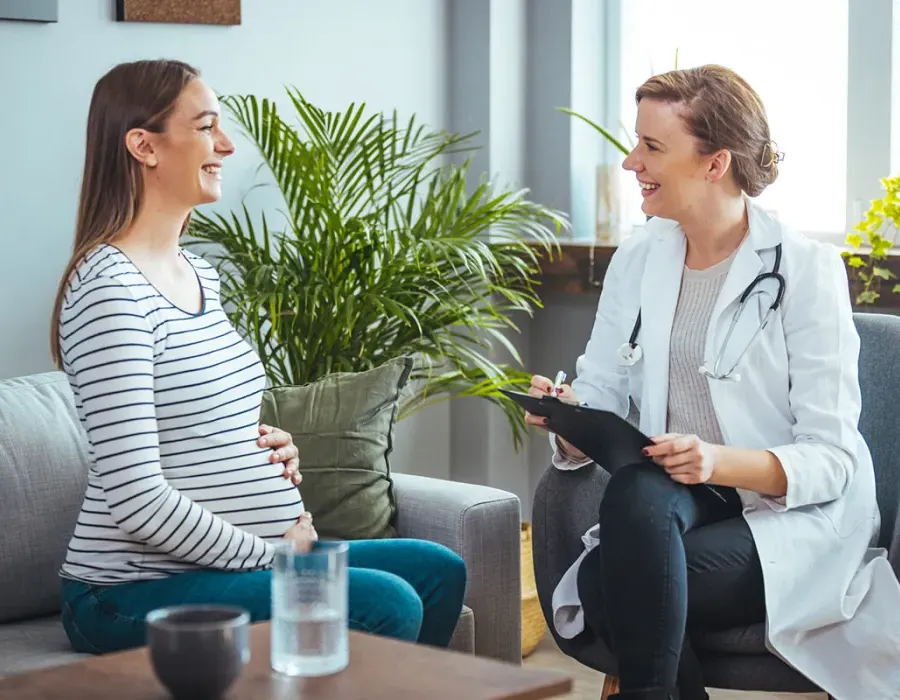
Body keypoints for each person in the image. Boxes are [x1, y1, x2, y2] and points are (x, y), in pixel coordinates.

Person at [50, 59, 466, 655]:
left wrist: (261, 445)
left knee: (436, 568)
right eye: (205, 127)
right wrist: (275, 556)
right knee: (386, 602)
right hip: (127, 591)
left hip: (222, 565)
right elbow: (137, 497)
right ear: (144, 145)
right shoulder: (108, 288)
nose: (226, 144)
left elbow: (194, 421)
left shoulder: (201, 274)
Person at [526, 65, 900, 700]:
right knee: (632, 501)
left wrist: (713, 460)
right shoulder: (639, 258)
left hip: (787, 511)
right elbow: (604, 391)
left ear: (714, 163)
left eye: (651, 146)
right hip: (669, 495)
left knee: (610, 587)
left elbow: (833, 459)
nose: (629, 162)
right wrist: (570, 426)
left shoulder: (805, 270)